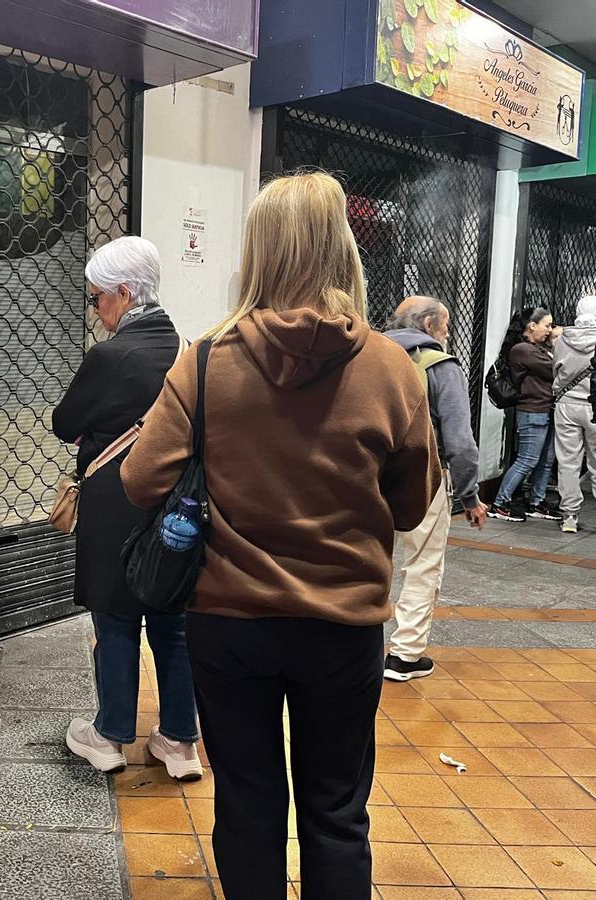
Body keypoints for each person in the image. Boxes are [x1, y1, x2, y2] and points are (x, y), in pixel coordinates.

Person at [122, 172, 440, 899]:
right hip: (343, 627)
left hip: (229, 625)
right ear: (342, 251)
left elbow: (140, 483)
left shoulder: (205, 361)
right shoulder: (393, 370)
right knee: (336, 812)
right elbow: (413, 504)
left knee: (248, 804)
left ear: (258, 252)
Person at [51, 235, 202, 781]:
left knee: (115, 620)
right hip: (176, 515)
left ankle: (110, 735)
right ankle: (181, 742)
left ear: (122, 293)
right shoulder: (190, 351)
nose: (96, 312)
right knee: (173, 623)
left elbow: (65, 423)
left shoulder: (111, 356)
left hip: (115, 504)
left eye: (97, 300)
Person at [381, 296, 486, 681]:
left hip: (367, 476)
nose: (447, 332)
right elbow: (460, 443)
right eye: (445, 325)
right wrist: (470, 497)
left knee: (371, 557)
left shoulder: (368, 356)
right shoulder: (440, 366)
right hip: (422, 476)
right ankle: (405, 655)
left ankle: (359, 639)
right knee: (422, 562)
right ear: (428, 324)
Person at [490, 307, 563, 522]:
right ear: (532, 325)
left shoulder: (536, 347)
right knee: (528, 460)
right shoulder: (523, 349)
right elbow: (556, 370)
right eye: (547, 325)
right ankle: (500, 503)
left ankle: (536, 502)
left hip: (545, 410)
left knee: (546, 461)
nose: (549, 331)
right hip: (532, 411)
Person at [554, 296, 596, 534]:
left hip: (566, 404)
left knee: (568, 461)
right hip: (594, 405)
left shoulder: (563, 338)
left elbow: (556, 370)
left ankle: (569, 515)